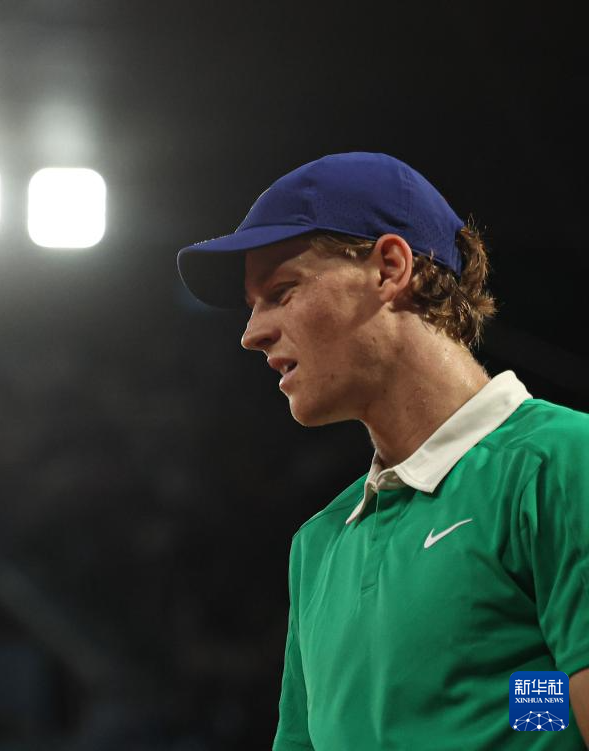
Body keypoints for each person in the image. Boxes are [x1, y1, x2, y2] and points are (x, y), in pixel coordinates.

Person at [175, 152, 589, 750]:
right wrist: (516, 701)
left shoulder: (565, 462)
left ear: (390, 268)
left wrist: (526, 706)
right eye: (252, 306)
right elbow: (501, 696)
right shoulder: (317, 545)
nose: (252, 334)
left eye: (281, 292)